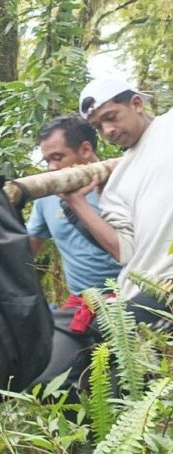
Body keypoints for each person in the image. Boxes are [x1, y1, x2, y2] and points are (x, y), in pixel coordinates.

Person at [61, 77, 173, 326]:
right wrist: (76, 202)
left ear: (136, 104)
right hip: (142, 295)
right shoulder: (117, 178)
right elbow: (124, 251)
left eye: (111, 117)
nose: (108, 131)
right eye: (98, 126)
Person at [26, 114, 122, 386]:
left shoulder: (122, 185)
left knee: (118, 385)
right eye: (47, 161)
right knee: (44, 382)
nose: (52, 167)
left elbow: (130, 252)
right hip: (81, 303)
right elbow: (26, 254)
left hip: (131, 299)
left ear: (85, 150)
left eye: (59, 157)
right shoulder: (46, 199)